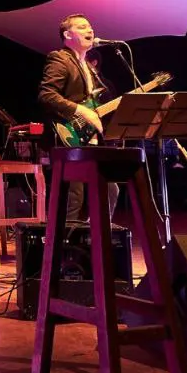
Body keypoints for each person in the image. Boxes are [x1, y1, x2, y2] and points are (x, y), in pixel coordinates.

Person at [37, 14, 117, 222]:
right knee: (74, 197)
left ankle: (97, 240)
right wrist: (81, 111)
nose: (90, 30)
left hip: (90, 138)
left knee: (110, 190)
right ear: (67, 34)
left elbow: (92, 103)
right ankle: (64, 248)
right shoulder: (60, 58)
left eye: (90, 26)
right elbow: (47, 95)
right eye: (82, 27)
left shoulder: (89, 68)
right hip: (69, 136)